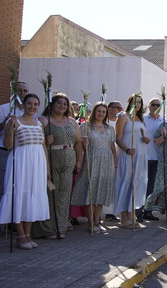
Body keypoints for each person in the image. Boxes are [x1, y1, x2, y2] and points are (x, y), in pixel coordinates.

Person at [0, 94, 50, 249]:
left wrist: (46, 167)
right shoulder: (15, 121)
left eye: (35, 104)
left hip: (37, 164)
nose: (32, 107)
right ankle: (20, 236)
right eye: (29, 103)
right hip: (21, 163)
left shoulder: (38, 123)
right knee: (20, 195)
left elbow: (43, 146)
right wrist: (10, 127)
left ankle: (28, 234)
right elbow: (8, 145)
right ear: (23, 105)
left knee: (32, 196)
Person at [32, 93, 83, 239]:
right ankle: (47, 228)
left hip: (70, 159)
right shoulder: (43, 120)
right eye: (59, 103)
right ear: (52, 104)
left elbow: (78, 142)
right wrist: (45, 141)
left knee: (65, 194)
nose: (62, 106)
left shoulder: (72, 121)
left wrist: (79, 162)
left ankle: (61, 225)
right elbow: (36, 142)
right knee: (50, 193)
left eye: (65, 104)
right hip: (52, 158)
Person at [0, 81, 29, 237]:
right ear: (13, 92)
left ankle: (15, 221)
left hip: (23, 154)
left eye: (25, 91)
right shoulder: (3, 109)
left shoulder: (29, 110)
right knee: (4, 188)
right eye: (20, 90)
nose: (22, 93)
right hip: (6, 152)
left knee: (19, 189)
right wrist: (4, 123)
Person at [70, 102, 117, 233]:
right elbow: (80, 145)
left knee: (101, 192)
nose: (101, 114)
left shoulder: (109, 129)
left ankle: (98, 221)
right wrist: (84, 144)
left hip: (106, 162)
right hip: (92, 161)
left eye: (103, 111)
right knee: (91, 192)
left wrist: (115, 162)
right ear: (95, 112)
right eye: (98, 111)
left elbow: (112, 146)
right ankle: (91, 223)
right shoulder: (86, 126)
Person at [114, 94, 150, 228]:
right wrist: (127, 149)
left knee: (136, 183)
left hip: (140, 155)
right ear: (129, 102)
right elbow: (118, 137)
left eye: (140, 102)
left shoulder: (141, 119)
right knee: (126, 182)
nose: (138, 104)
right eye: (135, 102)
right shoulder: (123, 116)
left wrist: (147, 140)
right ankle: (123, 218)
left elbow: (143, 136)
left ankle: (132, 213)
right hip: (128, 154)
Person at [140, 98, 164, 221]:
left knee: (151, 186)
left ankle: (148, 211)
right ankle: (138, 210)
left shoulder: (163, 121)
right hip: (143, 156)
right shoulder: (143, 119)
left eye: (158, 105)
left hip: (157, 157)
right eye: (153, 105)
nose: (155, 107)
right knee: (141, 184)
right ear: (149, 106)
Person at [103, 100, 123, 222]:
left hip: (118, 156)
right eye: (118, 108)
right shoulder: (105, 123)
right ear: (110, 109)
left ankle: (111, 212)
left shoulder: (121, 122)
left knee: (114, 184)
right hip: (105, 156)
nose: (121, 110)